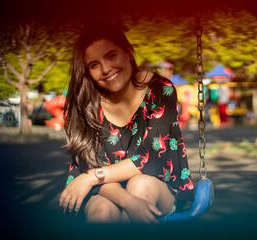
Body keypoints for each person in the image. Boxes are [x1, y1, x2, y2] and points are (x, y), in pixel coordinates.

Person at [59, 20, 194, 223]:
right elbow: (88, 164)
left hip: (157, 185)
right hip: (103, 189)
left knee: (140, 188)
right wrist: (127, 201)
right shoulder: (85, 103)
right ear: (87, 72)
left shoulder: (159, 90)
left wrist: (91, 177)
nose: (106, 69)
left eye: (111, 55)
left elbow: (148, 158)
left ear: (127, 52)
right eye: (94, 65)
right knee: (102, 213)